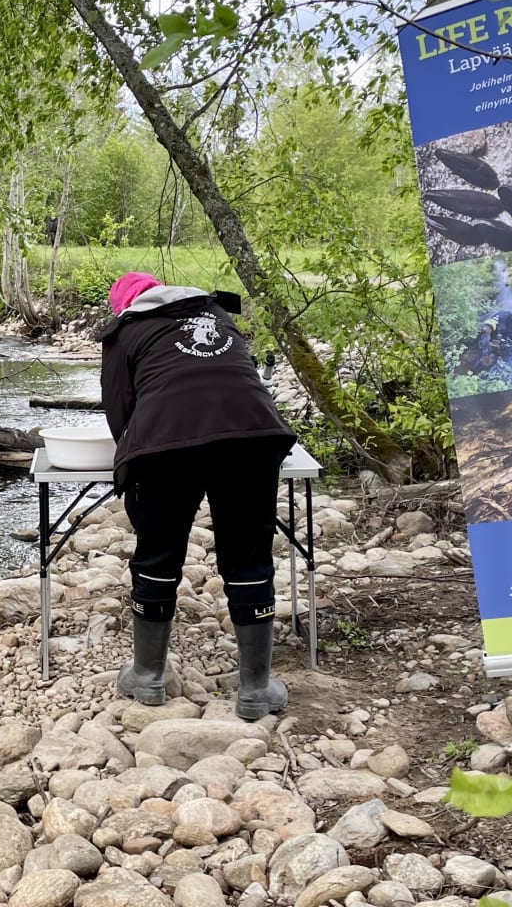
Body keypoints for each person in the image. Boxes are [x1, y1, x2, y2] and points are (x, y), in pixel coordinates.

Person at [100, 271, 297, 721]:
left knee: (158, 552)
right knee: (249, 557)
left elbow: (119, 408)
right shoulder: (217, 313)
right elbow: (236, 380)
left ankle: (147, 678)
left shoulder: (126, 330)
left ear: (125, 306)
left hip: (166, 445)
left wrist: (134, 454)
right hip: (253, 438)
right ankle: (256, 690)